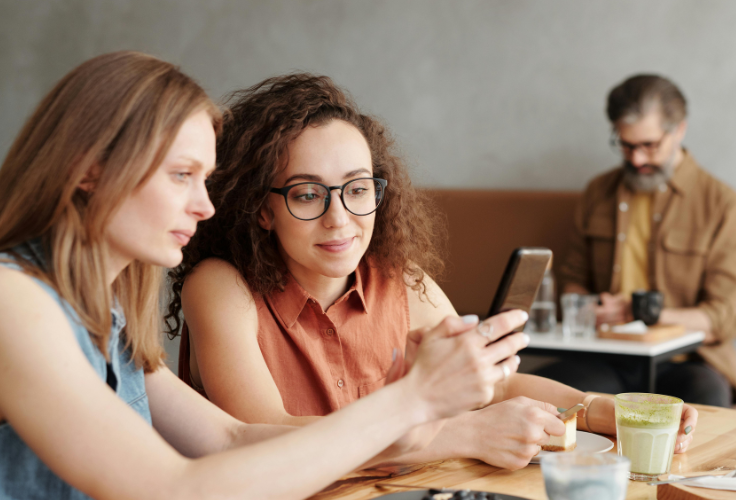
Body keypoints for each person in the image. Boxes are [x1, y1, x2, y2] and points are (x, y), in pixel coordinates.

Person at [0, 51, 528, 500]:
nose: (205, 205)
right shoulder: (0, 299)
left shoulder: (104, 317)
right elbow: (174, 488)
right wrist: (409, 403)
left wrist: (410, 424)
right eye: (181, 175)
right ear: (89, 171)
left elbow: (230, 440)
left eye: (206, 179)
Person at [166, 73, 699, 469]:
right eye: (307, 194)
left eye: (356, 190)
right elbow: (263, 437)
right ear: (262, 207)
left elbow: (494, 385)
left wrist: (609, 412)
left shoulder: (398, 278)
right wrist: (459, 435)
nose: (339, 219)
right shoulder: (220, 285)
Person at [541, 74, 736, 408]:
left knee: (706, 404)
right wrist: (587, 308)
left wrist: (637, 312)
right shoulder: (598, 193)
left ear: (679, 130)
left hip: (689, 364)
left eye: (649, 146)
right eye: (626, 145)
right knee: (540, 395)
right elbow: (572, 278)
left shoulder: (723, 206)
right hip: (605, 357)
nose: (637, 159)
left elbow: (722, 317)